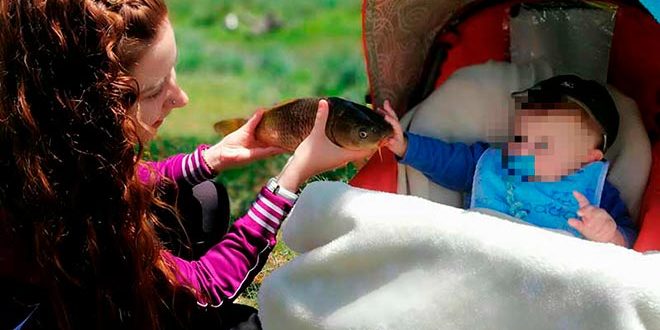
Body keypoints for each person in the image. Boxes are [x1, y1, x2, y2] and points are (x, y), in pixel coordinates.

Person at [0, 0, 372, 328]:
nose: (181, 98)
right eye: (153, 90)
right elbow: (205, 286)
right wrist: (289, 180)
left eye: (173, 72)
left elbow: (126, 179)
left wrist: (209, 159)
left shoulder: (38, 142)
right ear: (88, 108)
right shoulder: (76, 219)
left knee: (204, 196)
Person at [379, 75, 637, 248]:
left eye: (542, 145)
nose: (523, 149)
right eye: (520, 137)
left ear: (587, 159)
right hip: (489, 257)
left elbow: (629, 238)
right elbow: (448, 161)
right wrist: (406, 145)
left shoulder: (595, 191)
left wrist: (609, 235)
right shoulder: (496, 164)